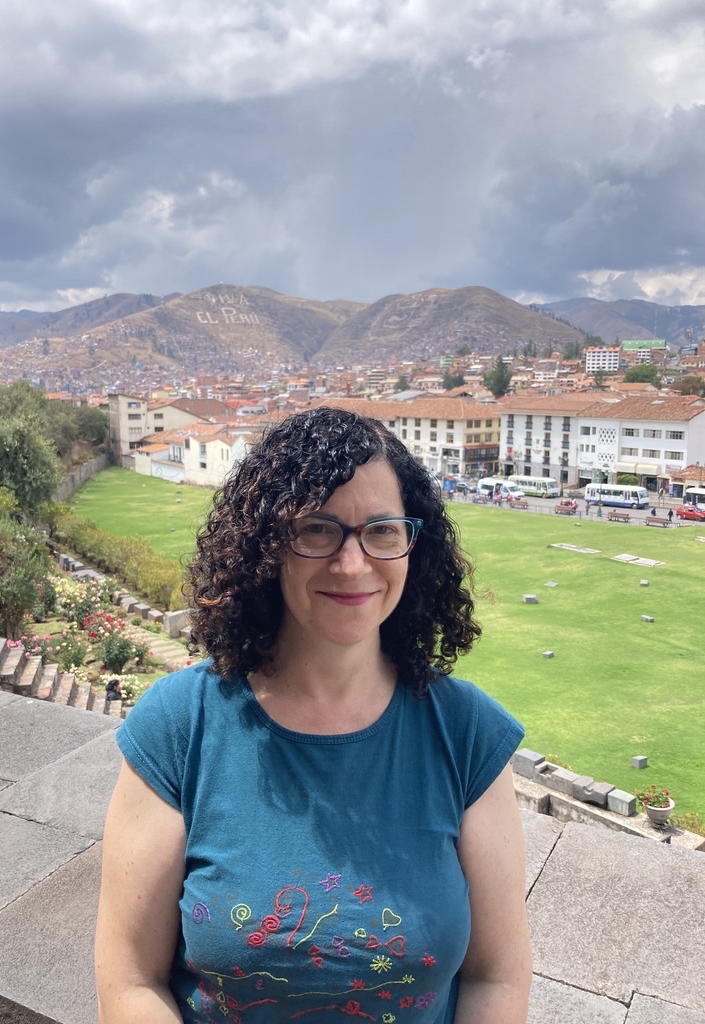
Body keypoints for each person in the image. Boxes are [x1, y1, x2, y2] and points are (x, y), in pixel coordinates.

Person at [95, 407, 531, 1024]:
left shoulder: (467, 735)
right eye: (319, 530)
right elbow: (130, 982)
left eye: (381, 530)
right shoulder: (177, 726)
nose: (352, 564)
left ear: (414, 544)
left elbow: (497, 979)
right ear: (267, 546)